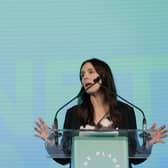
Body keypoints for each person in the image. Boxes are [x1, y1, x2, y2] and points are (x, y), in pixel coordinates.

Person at [34, 58, 168, 168]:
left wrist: (148, 145)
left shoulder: (126, 111)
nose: (85, 77)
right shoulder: (73, 113)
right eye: (82, 75)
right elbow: (65, 158)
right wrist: (50, 145)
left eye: (90, 72)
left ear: (102, 76)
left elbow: (134, 157)